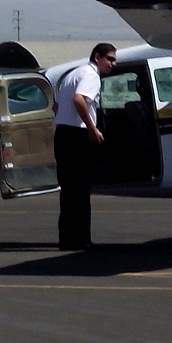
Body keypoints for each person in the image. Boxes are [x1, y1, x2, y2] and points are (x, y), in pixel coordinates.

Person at [53, 42, 117, 249]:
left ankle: (67, 239)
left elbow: (57, 105)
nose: (113, 64)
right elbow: (79, 100)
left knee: (69, 191)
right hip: (77, 137)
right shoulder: (91, 75)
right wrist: (92, 128)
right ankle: (81, 240)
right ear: (97, 57)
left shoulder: (74, 74)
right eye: (110, 58)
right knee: (80, 190)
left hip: (63, 134)